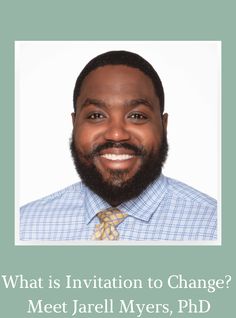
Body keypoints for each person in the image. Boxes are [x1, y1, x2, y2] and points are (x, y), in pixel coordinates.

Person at [20, 50, 217, 241]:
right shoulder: (24, 226)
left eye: (137, 116)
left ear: (163, 125)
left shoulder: (215, 226)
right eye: (96, 115)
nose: (116, 134)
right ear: (75, 123)